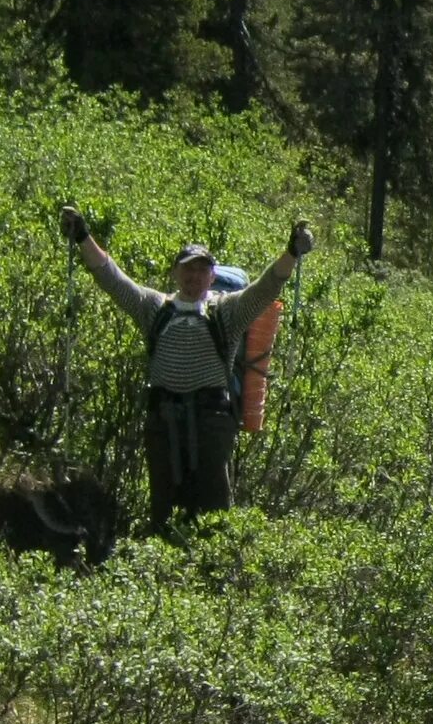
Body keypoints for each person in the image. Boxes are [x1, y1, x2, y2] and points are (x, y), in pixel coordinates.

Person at [59, 207, 313, 527]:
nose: (193, 277)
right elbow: (111, 277)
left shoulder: (226, 312)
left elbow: (266, 288)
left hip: (211, 424)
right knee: (162, 512)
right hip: (162, 423)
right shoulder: (153, 307)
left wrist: (292, 251)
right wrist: (82, 235)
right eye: (187, 270)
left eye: (201, 270)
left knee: (214, 515)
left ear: (211, 276)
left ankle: (214, 570)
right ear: (175, 274)